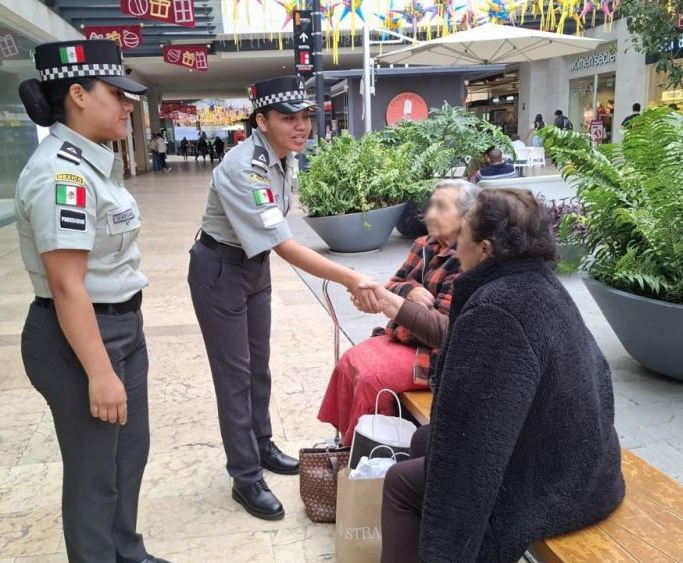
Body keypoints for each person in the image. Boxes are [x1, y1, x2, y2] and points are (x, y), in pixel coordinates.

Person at [378, 188, 625, 563]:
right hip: (585, 460)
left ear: (485, 248)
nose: (455, 242)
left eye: (463, 234)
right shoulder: (539, 283)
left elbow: (475, 449)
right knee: (425, 440)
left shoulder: (496, 310)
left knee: (399, 484)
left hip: (563, 484)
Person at [187, 75, 379, 521]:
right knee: (234, 375)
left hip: (251, 267)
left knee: (259, 364)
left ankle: (262, 443)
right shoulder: (243, 167)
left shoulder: (282, 156)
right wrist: (350, 277)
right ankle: (245, 475)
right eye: (287, 118)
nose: (301, 127)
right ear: (262, 121)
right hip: (220, 269)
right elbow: (284, 244)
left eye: (305, 117)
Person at [14, 39, 170, 563]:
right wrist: (101, 373)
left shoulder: (94, 162)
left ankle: (126, 549)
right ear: (77, 95)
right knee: (93, 472)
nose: (129, 104)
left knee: (129, 455)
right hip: (79, 337)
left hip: (121, 326)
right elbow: (67, 286)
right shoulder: (62, 175)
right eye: (117, 93)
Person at [318, 180, 477, 445]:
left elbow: (443, 329)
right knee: (350, 361)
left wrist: (400, 305)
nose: (430, 214)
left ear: (466, 216)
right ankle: (348, 442)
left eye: (441, 207)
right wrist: (409, 291)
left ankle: (372, 453)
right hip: (406, 336)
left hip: (436, 353)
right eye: (430, 206)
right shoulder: (424, 245)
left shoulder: (467, 258)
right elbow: (392, 285)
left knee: (372, 377)